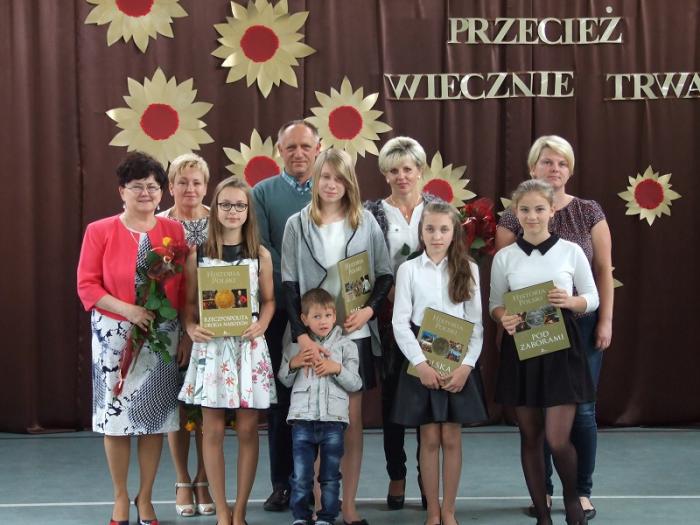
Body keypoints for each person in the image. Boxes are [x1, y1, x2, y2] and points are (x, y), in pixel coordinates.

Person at [495, 135, 613, 520]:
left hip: (571, 338)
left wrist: (582, 307)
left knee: (571, 424)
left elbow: (597, 283)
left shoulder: (580, 229)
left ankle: (578, 495)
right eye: (547, 161)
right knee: (531, 431)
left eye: (561, 163)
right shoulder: (507, 244)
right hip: (525, 342)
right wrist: (502, 318)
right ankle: (542, 503)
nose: (532, 216)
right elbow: (498, 299)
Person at [281, 148, 393, 525]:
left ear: (350, 183)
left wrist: (369, 310)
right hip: (311, 339)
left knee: (348, 422)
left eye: (339, 178)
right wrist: (302, 337)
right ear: (315, 179)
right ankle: (318, 506)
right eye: (326, 176)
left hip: (353, 335)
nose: (331, 184)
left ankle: (347, 506)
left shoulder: (365, 222)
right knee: (314, 422)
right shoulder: (297, 224)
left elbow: (384, 274)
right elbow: (289, 285)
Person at [77, 151, 187, 525]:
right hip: (114, 335)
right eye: (137, 186)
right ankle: (121, 496)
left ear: (162, 193)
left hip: (161, 335)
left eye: (152, 187)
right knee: (116, 420)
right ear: (121, 191)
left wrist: (183, 331)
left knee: (153, 418)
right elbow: (87, 285)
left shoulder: (173, 232)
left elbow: (182, 286)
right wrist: (129, 311)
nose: (145, 193)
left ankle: (146, 497)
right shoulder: (99, 230)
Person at [179, 176, 277, 525]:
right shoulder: (198, 254)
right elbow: (189, 305)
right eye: (225, 204)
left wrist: (263, 323)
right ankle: (222, 511)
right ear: (215, 209)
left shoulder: (260, 255)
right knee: (213, 431)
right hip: (212, 350)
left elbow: (269, 301)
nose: (232, 211)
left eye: (239, 205)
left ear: (248, 211)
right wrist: (191, 328)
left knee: (249, 430)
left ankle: (240, 511)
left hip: (247, 347)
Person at [392, 200, 487, 525]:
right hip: (422, 361)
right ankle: (432, 512)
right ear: (421, 231)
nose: (436, 236)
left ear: (454, 232)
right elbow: (400, 322)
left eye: (443, 229)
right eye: (430, 229)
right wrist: (421, 364)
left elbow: (476, 325)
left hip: (458, 362)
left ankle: (449, 511)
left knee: (451, 438)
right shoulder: (408, 270)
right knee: (429, 438)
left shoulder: (468, 268)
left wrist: (466, 367)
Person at [363, 136, 441, 510]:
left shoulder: (438, 210)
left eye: (407, 169)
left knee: (429, 398)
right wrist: (391, 295)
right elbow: (365, 264)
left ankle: (428, 476)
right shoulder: (371, 213)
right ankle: (397, 474)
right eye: (393, 170)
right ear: (385, 174)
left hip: (432, 319)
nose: (401, 176)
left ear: (420, 170)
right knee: (393, 402)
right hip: (389, 315)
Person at [252, 120, 321, 511]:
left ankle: (318, 485)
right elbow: (262, 249)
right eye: (290, 147)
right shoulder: (262, 193)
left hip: (325, 314)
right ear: (279, 150)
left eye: (305, 146)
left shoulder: (332, 188)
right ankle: (282, 484)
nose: (298, 153)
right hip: (279, 310)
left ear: (318, 148)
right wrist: (297, 288)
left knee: (324, 395)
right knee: (281, 399)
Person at [158, 153, 215, 517]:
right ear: (170, 187)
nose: (189, 188)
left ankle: (204, 479)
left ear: (206, 187)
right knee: (176, 406)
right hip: (169, 326)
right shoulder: (158, 224)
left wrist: (197, 329)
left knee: (208, 406)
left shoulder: (220, 221)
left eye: (196, 182)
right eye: (182, 182)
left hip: (212, 326)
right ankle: (182, 480)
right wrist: (182, 330)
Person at [278, 288, 363, 525]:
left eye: (327, 315)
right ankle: (301, 516)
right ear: (304, 319)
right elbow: (283, 379)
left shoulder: (347, 346)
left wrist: (337, 369)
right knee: (301, 475)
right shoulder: (295, 346)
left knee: (330, 476)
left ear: (335, 316)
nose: (323, 321)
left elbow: (356, 383)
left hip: (333, 422)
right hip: (302, 421)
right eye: (316, 316)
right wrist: (294, 363)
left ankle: (327, 517)